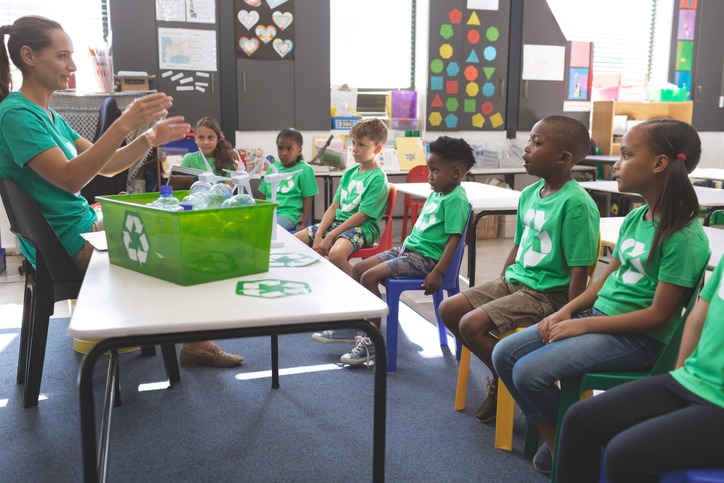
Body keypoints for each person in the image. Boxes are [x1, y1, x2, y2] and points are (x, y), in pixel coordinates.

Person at [0, 15, 243, 368]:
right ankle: (194, 341)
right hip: (68, 246)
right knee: (183, 242)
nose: (72, 65)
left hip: (82, 229)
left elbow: (109, 165)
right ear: (29, 55)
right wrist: (123, 123)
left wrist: (147, 137)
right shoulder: (16, 115)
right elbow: (70, 179)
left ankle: (192, 339)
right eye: (63, 56)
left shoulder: (47, 114)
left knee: (180, 226)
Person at [491, 118, 710, 475]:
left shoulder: (684, 236)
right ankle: (562, 443)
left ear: (659, 164)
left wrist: (583, 325)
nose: (616, 164)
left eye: (625, 155)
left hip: (640, 339)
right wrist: (568, 311)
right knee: (505, 354)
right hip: (600, 319)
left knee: (529, 371)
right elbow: (602, 283)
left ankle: (569, 450)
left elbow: (658, 317)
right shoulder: (636, 217)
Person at [438, 115, 600, 424]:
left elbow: (580, 271)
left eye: (536, 144)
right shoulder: (528, 194)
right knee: (450, 310)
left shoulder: (577, 204)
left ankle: (505, 382)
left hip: (548, 294)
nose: (526, 149)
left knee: (471, 325)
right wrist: (502, 280)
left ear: (563, 158)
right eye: (529, 141)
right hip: (516, 282)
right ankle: (507, 376)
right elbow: (517, 246)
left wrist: (570, 317)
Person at [555, 259, 724, 483]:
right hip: (693, 380)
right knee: (580, 420)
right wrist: (680, 376)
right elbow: (699, 315)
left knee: (625, 455)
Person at [321, 136, 474, 366]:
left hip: (426, 260)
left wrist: (439, 272)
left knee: (369, 276)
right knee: (359, 269)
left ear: (455, 173)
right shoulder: (438, 192)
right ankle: (359, 324)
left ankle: (371, 340)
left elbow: (454, 241)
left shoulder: (455, 199)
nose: (429, 176)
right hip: (408, 251)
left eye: (434, 171)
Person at [294, 118, 389, 278]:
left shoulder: (378, 178)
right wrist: (319, 234)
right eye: (353, 143)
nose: (354, 149)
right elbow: (334, 206)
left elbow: (362, 215)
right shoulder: (349, 173)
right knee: (293, 243)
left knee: (336, 255)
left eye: (361, 145)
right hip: (338, 223)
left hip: (363, 228)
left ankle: (361, 289)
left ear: (377, 148)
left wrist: (330, 235)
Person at [258, 128, 318, 231]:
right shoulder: (272, 168)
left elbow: (308, 198)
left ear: (299, 150)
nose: (283, 153)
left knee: (270, 229)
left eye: (289, 149)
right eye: (280, 148)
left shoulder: (305, 170)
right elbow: (263, 195)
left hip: (288, 215)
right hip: (268, 212)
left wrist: (304, 224)